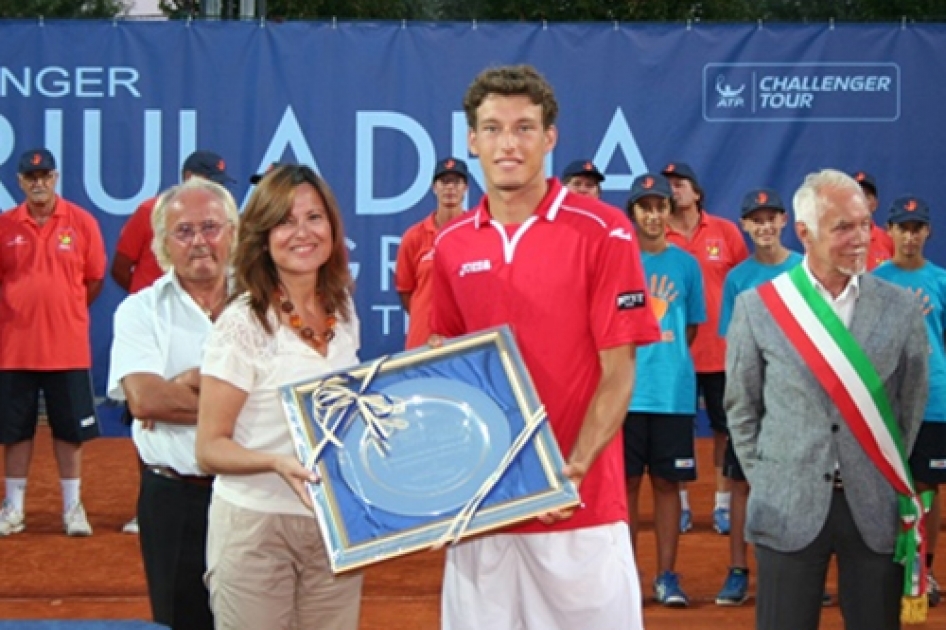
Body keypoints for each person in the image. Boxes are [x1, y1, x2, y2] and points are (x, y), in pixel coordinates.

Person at [431, 64, 661, 630]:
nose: (508, 144)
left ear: (549, 137)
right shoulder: (450, 245)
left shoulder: (604, 231)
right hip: (483, 513)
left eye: (524, 128)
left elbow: (618, 372)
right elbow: (441, 372)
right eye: (493, 128)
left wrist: (574, 466)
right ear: (472, 140)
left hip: (578, 508)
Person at [726, 169, 929, 630]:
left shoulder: (901, 308)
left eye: (863, 225)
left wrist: (883, 462)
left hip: (874, 503)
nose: (860, 239)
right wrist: (770, 476)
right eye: (842, 228)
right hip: (787, 504)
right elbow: (741, 407)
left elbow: (910, 403)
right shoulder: (758, 308)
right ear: (804, 233)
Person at [196, 164, 363, 630]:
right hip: (256, 528)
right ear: (263, 236)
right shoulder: (241, 324)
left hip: (334, 528)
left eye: (314, 217)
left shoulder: (343, 311)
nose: (303, 233)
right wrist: (274, 463)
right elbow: (210, 448)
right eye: (285, 221)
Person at [107, 178, 237, 629]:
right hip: (174, 499)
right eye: (184, 231)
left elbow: (285, 396)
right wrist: (241, 398)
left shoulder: (267, 306)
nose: (200, 241)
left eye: (211, 227)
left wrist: (192, 383)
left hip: (251, 496)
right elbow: (144, 399)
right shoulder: (139, 311)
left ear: (233, 234)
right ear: (162, 243)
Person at [0, 148, 106, 537]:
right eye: (31, 177)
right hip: (13, 350)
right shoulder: (4, 226)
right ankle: (13, 508)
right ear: (20, 182)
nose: (38, 182)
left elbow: (94, 280)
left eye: (45, 175)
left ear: (56, 178)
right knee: (13, 433)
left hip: (68, 348)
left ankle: (72, 508)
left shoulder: (81, 222)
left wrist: (64, 308)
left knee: (70, 433)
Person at [715, 187, 802, 606]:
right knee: (742, 482)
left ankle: (803, 572)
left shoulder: (806, 269)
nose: (765, 226)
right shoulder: (738, 279)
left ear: (785, 221)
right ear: (745, 226)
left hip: (798, 399)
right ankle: (738, 571)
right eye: (756, 219)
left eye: (772, 217)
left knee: (800, 483)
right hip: (754, 397)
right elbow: (734, 344)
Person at [623, 173, 706, 608]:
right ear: (633, 213)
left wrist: (665, 358)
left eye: (659, 206)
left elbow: (690, 328)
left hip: (672, 392)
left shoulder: (687, 264)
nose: (653, 214)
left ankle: (667, 576)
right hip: (626, 393)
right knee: (626, 486)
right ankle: (625, 580)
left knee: (668, 485)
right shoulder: (618, 259)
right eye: (645, 207)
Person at [663, 161, 749, 535]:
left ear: (697, 193)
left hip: (721, 350)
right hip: (676, 355)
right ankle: (680, 504)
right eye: (670, 185)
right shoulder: (658, 236)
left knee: (723, 429)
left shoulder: (726, 232)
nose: (674, 190)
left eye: (681, 184)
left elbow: (745, 284)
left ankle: (722, 505)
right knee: (679, 431)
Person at [873, 194, 946, 608]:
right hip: (887, 403)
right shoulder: (877, 281)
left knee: (926, 487)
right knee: (887, 488)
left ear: (927, 232)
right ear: (892, 231)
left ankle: (925, 568)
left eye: (918, 228)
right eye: (903, 228)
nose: (911, 236)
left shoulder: (941, 281)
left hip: (934, 400)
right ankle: (889, 566)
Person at [111, 150, 235, 294]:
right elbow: (120, 267)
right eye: (211, 181)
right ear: (189, 177)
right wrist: (149, 297)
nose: (215, 188)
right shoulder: (149, 211)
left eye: (220, 183)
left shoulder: (222, 214)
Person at [395, 157, 469, 349]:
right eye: (444, 181)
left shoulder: (479, 234)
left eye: (456, 182)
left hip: (466, 341)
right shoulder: (414, 237)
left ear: (465, 188)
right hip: (422, 342)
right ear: (434, 188)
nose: (450, 187)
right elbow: (406, 292)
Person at [852, 170, 893, 270]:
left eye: (866, 196)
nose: (860, 200)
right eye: (856, 195)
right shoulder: (836, 238)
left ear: (875, 204)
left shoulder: (888, 240)